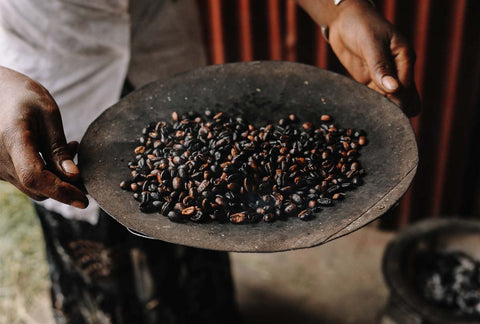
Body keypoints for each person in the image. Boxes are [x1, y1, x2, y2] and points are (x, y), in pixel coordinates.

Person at [0, 0, 420, 323]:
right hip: (53, 73)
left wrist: (339, 7)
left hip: (167, 58)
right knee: (101, 273)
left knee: (201, 251)